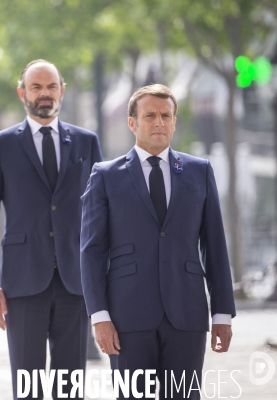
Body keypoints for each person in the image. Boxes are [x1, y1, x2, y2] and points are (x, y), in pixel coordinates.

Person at [80, 84, 235, 399]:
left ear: (175, 122)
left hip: (187, 315)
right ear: (132, 123)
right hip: (126, 316)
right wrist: (99, 317)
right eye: (150, 115)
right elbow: (92, 252)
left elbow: (215, 246)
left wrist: (221, 314)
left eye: (166, 115)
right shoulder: (106, 175)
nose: (159, 122)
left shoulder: (199, 172)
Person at [0, 59, 102, 399]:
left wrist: (102, 276)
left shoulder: (86, 143)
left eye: (51, 86)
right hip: (22, 281)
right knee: (28, 386)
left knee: (70, 387)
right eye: (36, 87)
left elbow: (99, 215)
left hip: (75, 282)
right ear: (22, 93)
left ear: (62, 91)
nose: (44, 94)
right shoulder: (0, 145)